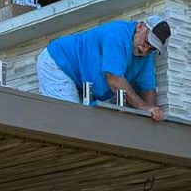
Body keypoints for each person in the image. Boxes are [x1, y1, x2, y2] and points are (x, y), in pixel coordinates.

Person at [37, 16, 171, 122]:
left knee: (87, 124)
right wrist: (143, 107)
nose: (145, 49)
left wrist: (153, 114)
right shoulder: (117, 34)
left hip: (81, 79)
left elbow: (147, 88)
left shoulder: (145, 56)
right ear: (140, 27)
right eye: (147, 42)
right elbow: (114, 79)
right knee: (70, 122)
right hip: (59, 62)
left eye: (152, 48)